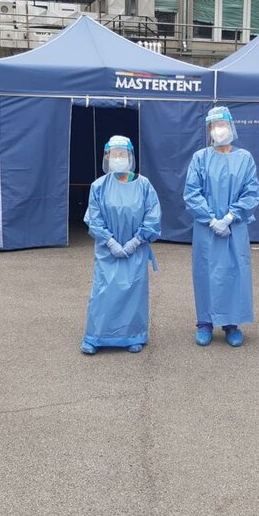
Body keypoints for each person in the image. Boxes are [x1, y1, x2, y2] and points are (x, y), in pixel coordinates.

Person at [184, 106, 259, 347]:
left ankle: (231, 324)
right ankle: (205, 322)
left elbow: (252, 192)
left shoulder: (244, 158)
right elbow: (191, 193)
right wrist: (210, 219)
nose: (219, 130)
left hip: (234, 229)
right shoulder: (200, 158)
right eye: (214, 126)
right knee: (206, 273)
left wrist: (229, 217)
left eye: (222, 125)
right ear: (209, 130)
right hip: (206, 229)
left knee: (233, 272)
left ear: (231, 126)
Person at [81, 135, 161, 355]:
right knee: (103, 292)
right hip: (108, 252)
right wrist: (110, 241)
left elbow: (152, 216)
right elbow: (94, 219)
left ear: (130, 157)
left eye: (122, 154)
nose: (118, 158)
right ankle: (95, 336)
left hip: (136, 251)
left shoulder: (143, 185)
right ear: (107, 157)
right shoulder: (99, 186)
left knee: (133, 293)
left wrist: (137, 240)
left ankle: (132, 335)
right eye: (114, 154)